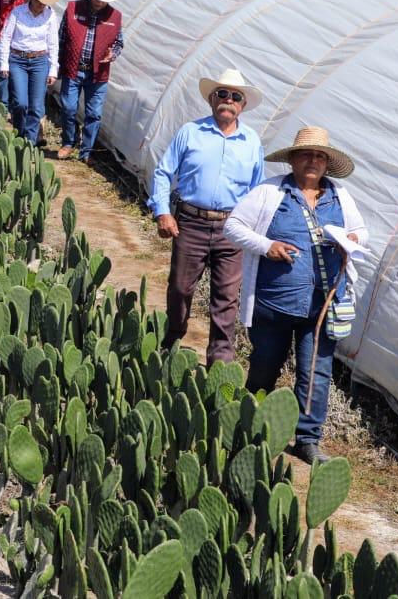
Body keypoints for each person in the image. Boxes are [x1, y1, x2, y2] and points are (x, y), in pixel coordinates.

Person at [224, 127, 367, 464]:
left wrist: (352, 240)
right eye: (306, 154)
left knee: (315, 372)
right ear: (292, 159)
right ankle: (251, 425)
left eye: (319, 156)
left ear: (327, 163)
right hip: (274, 303)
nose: (313, 161)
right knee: (263, 367)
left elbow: (360, 230)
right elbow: (234, 226)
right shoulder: (271, 192)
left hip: (321, 306)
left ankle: (307, 439)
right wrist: (267, 245)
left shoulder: (340, 195)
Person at [150, 68, 265, 365]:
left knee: (226, 297)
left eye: (235, 96)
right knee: (180, 287)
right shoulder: (190, 132)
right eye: (222, 94)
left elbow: (256, 191)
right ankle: (172, 340)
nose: (228, 100)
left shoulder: (252, 142)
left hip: (232, 227)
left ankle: (220, 363)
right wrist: (162, 211)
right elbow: (163, 172)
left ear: (243, 105)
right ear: (212, 99)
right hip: (191, 222)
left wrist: (252, 231)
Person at [57, 0, 124, 161]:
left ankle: (86, 151)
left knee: (94, 113)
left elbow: (119, 43)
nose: (100, 1)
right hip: (73, 68)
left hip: (98, 73)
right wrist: (57, 65)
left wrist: (113, 54)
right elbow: (61, 37)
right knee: (69, 107)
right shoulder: (73, 8)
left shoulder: (115, 17)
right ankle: (68, 142)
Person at [0, 0, 61, 144]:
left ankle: (30, 143)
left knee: (36, 106)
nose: (42, 5)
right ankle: (19, 134)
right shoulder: (17, 13)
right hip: (18, 60)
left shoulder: (50, 15)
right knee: (20, 103)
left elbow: (53, 43)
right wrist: (4, 63)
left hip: (40, 61)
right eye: (40, 1)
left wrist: (53, 69)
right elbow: (5, 38)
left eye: (45, 2)